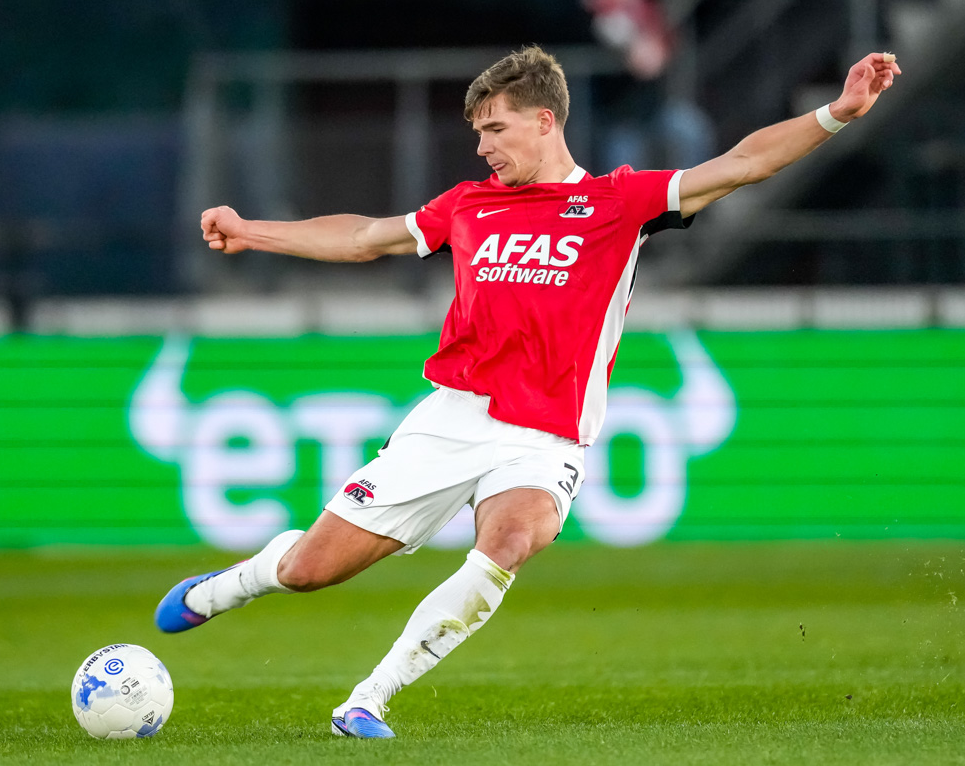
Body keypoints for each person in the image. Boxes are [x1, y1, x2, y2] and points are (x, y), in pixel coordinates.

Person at [155, 45, 901, 738]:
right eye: (479, 132)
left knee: (509, 542)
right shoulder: (468, 205)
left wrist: (837, 112)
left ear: (546, 121)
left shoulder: (619, 203)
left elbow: (741, 164)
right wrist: (252, 231)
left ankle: (367, 700)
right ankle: (230, 586)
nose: (483, 147)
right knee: (310, 570)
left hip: (546, 436)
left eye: (496, 129)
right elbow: (364, 238)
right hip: (452, 419)